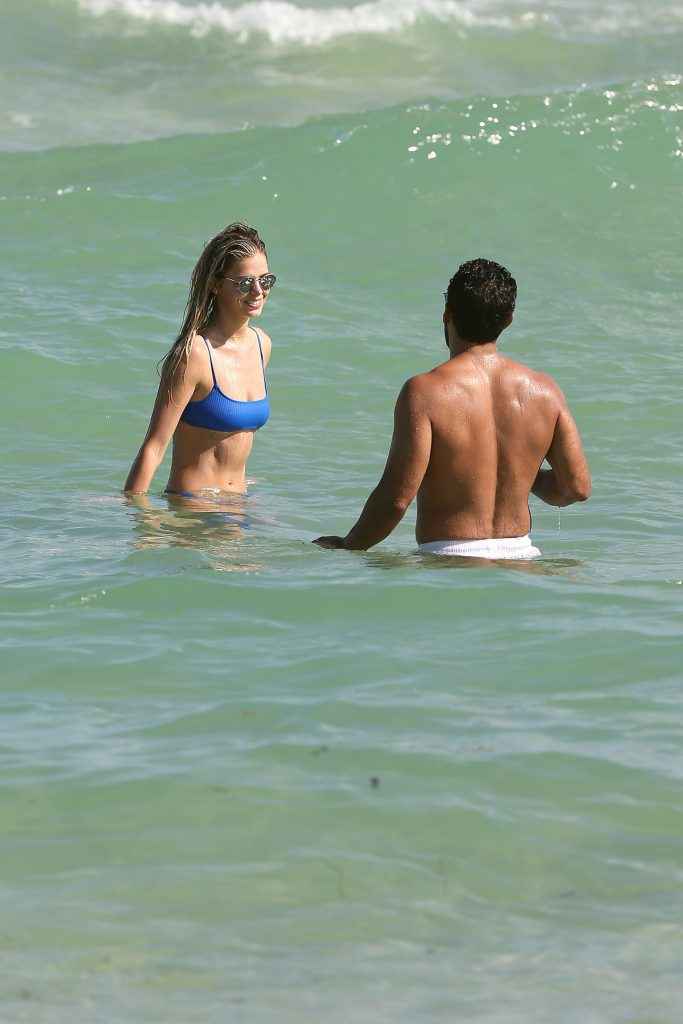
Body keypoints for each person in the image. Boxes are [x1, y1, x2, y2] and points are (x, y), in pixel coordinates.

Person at [314, 258, 590, 559]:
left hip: (448, 560)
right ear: (509, 319)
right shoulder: (545, 391)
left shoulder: (424, 392)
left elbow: (397, 499)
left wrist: (350, 545)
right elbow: (576, 487)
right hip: (522, 562)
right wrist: (524, 474)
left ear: (447, 314)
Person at [124, 222, 274, 497]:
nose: (257, 291)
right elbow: (154, 447)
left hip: (238, 502)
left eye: (265, 280)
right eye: (244, 283)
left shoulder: (261, 344)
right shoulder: (193, 355)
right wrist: (135, 512)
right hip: (194, 505)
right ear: (216, 284)